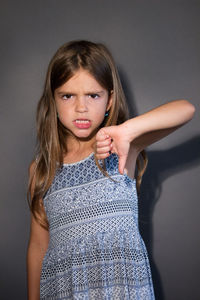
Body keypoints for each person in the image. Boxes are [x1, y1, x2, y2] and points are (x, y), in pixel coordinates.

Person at [26, 40, 195, 300]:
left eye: (93, 95)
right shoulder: (42, 168)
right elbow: (38, 246)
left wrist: (127, 130)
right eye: (67, 96)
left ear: (109, 101)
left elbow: (186, 109)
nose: (81, 107)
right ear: (54, 101)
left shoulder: (122, 149)